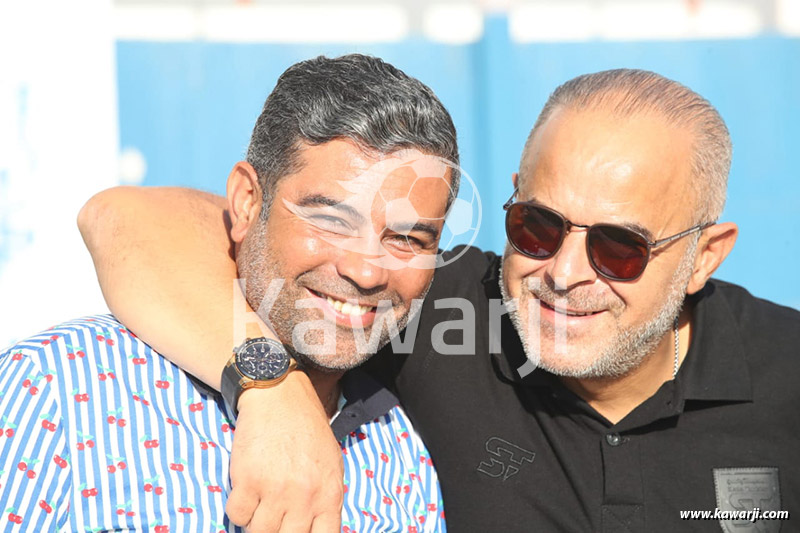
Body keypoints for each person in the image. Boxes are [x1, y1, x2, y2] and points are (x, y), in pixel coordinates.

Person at [80, 69, 800, 532]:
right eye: (538, 226)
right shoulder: (440, 304)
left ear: (704, 254)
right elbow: (128, 221)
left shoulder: (787, 377)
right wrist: (273, 385)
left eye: (620, 247)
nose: (564, 272)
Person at [0, 53, 459, 532]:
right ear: (245, 202)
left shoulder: (407, 458)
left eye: (407, 239)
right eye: (329, 220)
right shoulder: (59, 390)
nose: (366, 272)